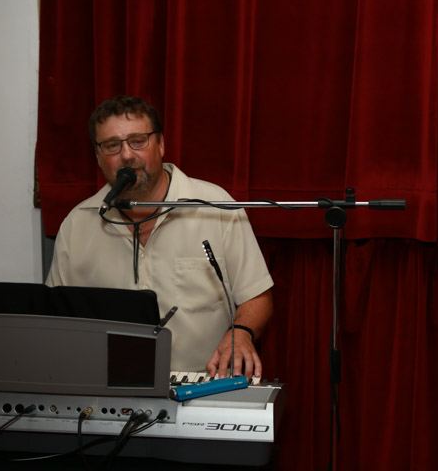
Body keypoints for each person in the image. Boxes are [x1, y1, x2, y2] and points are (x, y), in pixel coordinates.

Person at [46, 95, 273, 380]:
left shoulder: (215, 207)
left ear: (161, 144)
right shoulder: (77, 224)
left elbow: (257, 296)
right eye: (112, 145)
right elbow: (55, 318)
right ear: (98, 156)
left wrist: (240, 333)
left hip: (205, 384)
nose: (127, 155)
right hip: (108, 386)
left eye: (138, 141)